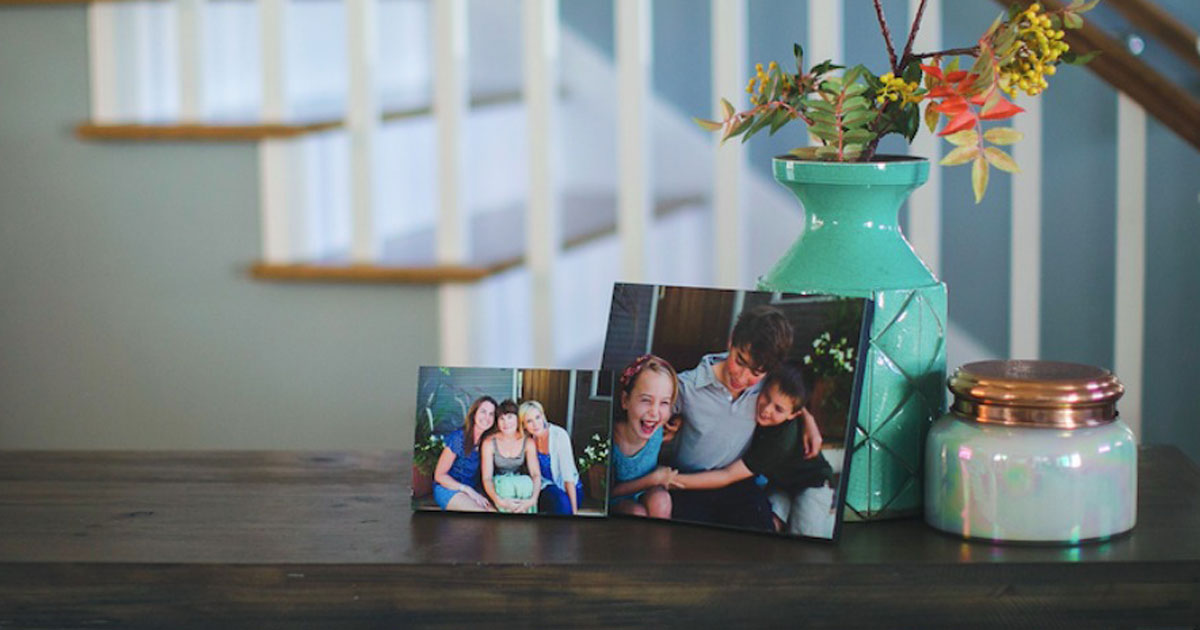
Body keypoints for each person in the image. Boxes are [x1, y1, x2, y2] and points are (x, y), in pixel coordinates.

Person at [671, 304, 821, 531]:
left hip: (737, 483)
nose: (742, 378)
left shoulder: (767, 388)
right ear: (731, 341)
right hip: (689, 483)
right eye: (740, 361)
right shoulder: (687, 387)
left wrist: (808, 418)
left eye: (756, 372)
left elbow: (792, 397)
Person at [673, 361, 836, 537]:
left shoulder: (780, 442)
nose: (766, 410)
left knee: (804, 538)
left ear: (792, 415)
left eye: (778, 409)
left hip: (811, 483)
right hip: (779, 483)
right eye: (766, 397)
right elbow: (787, 397)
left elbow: (728, 475)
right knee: (768, 523)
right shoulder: (764, 394)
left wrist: (672, 480)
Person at [610, 354, 678, 519]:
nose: (654, 413)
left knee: (661, 500)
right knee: (636, 513)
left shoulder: (658, 430)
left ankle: (658, 544)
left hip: (646, 492)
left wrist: (679, 422)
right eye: (646, 400)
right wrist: (653, 479)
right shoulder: (610, 440)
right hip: (616, 500)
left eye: (664, 403)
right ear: (625, 400)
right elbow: (608, 493)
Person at [432, 396, 499, 512]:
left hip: (472, 491)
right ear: (474, 414)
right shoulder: (458, 438)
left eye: (491, 414)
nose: (487, 417)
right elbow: (439, 475)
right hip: (449, 488)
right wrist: (467, 489)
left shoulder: (487, 442)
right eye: (483, 411)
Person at [520, 400, 583, 515]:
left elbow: (568, 476)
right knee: (557, 500)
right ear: (524, 425)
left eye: (538, 417)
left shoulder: (559, 435)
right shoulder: (528, 440)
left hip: (570, 489)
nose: (535, 424)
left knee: (564, 505)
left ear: (543, 416)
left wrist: (575, 513)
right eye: (529, 421)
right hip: (547, 487)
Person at [481, 399, 541, 513]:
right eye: (501, 419)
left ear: (518, 419)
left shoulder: (527, 442)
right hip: (500, 485)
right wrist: (498, 501)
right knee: (505, 486)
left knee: (527, 484)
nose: (506, 423)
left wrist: (533, 499)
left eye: (510, 417)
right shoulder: (489, 443)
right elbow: (486, 478)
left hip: (520, 484)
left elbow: (535, 474)